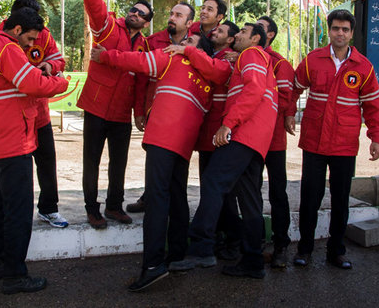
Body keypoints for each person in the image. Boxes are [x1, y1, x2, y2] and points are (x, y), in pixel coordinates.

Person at [91, 27, 230, 292]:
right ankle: (177, 255)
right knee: (176, 196)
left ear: (196, 51)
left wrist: (105, 56)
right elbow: (223, 71)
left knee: (157, 199)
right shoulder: (209, 79)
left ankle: (153, 265)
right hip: (183, 145)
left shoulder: (176, 58)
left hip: (162, 138)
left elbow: (138, 61)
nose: (182, 42)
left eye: (190, 41)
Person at [0, 7, 69, 293]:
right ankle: (15, 275)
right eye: (29, 39)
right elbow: (34, 83)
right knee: (19, 211)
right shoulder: (7, 49)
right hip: (15, 138)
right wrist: (61, 82)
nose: (30, 45)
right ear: (16, 30)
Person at [167, 23, 277, 279]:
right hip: (257, 138)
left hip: (244, 132)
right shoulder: (253, 58)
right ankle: (253, 261)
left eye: (242, 33)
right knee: (249, 200)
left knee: (213, 181)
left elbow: (253, 90)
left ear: (256, 38)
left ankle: (201, 248)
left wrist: (228, 124)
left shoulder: (251, 54)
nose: (236, 35)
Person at [289, 9, 379, 269]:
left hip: (344, 144)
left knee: (341, 200)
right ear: (328, 31)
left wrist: (376, 137)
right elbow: (295, 87)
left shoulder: (364, 67)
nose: (339, 33)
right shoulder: (313, 60)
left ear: (351, 34)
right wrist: (288, 113)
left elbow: (374, 105)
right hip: (314, 142)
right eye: (335, 28)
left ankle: (336, 252)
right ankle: (304, 250)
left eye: (345, 29)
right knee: (310, 197)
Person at [78, 0, 151, 229]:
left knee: (118, 163)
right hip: (96, 107)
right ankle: (91, 209)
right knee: (92, 162)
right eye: (134, 9)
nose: (135, 13)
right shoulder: (109, 27)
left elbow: (142, 82)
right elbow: (95, 7)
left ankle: (113, 206)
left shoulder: (144, 46)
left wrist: (139, 113)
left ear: (146, 23)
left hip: (121, 113)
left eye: (142, 14)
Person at [3, 0, 69, 229]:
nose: (33, 42)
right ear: (16, 23)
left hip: (39, 113)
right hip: (13, 118)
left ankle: (49, 209)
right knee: (12, 171)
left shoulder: (44, 34)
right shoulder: (0, 38)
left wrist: (50, 67)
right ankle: (12, 216)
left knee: (47, 162)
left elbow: (58, 60)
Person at [126, 2, 198, 214]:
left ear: (189, 22)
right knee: (155, 159)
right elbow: (141, 78)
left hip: (185, 113)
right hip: (155, 110)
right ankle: (149, 197)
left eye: (178, 15)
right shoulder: (153, 41)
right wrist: (139, 110)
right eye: (171, 13)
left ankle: (171, 204)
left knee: (178, 165)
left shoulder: (198, 41)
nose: (172, 18)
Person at [195, 20, 242, 261]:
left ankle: (233, 238)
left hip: (220, 134)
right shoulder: (214, 53)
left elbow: (215, 72)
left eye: (221, 31)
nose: (215, 32)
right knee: (211, 190)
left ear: (231, 39)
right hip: (208, 133)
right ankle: (220, 237)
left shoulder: (229, 59)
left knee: (221, 192)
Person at [256, 15, 296, 268]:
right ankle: (255, 242)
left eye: (260, 27)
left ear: (269, 35)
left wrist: (257, 106)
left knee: (277, 193)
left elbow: (285, 99)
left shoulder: (280, 63)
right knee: (250, 192)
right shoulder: (242, 57)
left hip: (273, 140)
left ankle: (281, 244)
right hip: (249, 140)